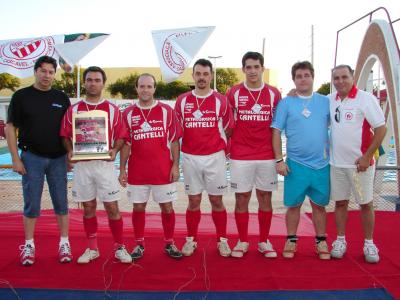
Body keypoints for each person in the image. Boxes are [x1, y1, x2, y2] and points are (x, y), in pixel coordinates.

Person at [60, 66, 132, 264]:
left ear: (103, 83)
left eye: (97, 80)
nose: (93, 83)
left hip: (104, 166)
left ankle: (119, 247)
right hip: (83, 166)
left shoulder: (112, 109)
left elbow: (121, 136)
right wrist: (69, 150)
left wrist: (115, 151)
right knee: (88, 207)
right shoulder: (74, 109)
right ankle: (92, 249)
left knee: (112, 207)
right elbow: (65, 135)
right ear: (84, 82)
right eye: (89, 80)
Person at [5, 55, 72, 266]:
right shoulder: (21, 96)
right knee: (32, 203)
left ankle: (64, 243)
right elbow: (9, 127)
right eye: (43, 71)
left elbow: (68, 129)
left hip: (58, 158)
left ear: (55, 74)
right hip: (31, 157)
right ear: (35, 71)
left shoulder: (61, 98)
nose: (47, 75)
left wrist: (70, 154)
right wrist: (15, 158)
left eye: (51, 72)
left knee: (61, 202)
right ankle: (29, 245)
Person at [119, 73, 183, 260]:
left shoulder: (166, 111)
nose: (145, 90)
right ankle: (139, 244)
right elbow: (126, 145)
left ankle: (170, 243)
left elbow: (174, 142)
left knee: (167, 208)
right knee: (138, 208)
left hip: (163, 170)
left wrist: (176, 166)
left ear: (154, 89)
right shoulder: (128, 113)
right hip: (138, 172)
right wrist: (122, 169)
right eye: (142, 86)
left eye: (149, 86)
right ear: (136, 88)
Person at [271, 61, 331, 260]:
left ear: (313, 77)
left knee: (319, 206)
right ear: (294, 79)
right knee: (293, 205)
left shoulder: (326, 101)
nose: (303, 79)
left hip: (321, 165)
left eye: (306, 75)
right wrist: (279, 160)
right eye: (299, 76)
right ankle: (291, 239)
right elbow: (276, 131)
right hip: (296, 164)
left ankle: (321, 240)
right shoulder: (286, 103)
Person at [175, 58, 233, 257]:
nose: (201, 77)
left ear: (211, 76)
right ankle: (191, 240)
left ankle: (222, 240)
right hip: (190, 158)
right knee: (193, 201)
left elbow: (229, 129)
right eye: (198, 74)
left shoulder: (221, 100)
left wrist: (226, 153)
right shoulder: (182, 101)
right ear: (193, 76)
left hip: (214, 157)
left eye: (205, 74)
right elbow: (176, 132)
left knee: (217, 200)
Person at [328, 65, 386, 263]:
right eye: (336, 78)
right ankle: (340, 240)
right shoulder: (330, 99)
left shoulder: (365, 99)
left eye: (344, 77)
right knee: (340, 203)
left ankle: (369, 243)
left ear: (352, 77)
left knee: (365, 204)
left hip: (360, 165)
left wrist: (366, 156)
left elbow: (381, 129)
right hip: (337, 164)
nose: (340, 81)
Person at [226, 51, 281, 258]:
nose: (252, 71)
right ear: (243, 70)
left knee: (265, 198)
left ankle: (264, 241)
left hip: (266, 154)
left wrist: (279, 157)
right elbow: (227, 124)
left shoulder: (274, 93)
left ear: (262, 69)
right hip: (240, 155)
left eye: (256, 67)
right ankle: (242, 241)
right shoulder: (234, 93)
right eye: (248, 67)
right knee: (242, 199)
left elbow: (279, 125)